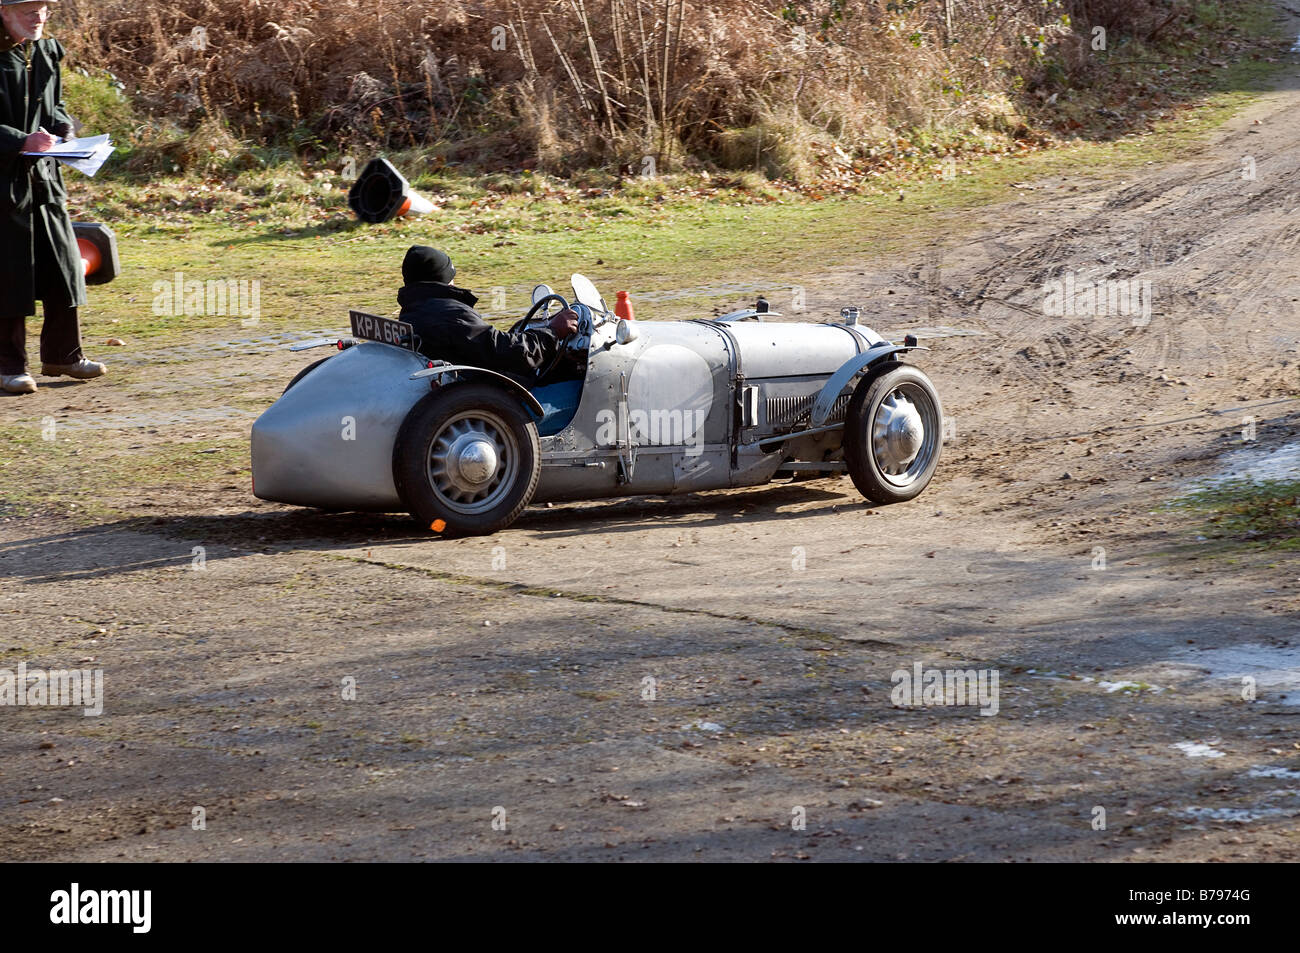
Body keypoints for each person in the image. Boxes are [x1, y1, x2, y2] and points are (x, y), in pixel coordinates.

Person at [0, 0, 105, 395]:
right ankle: (8, 366)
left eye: (43, 8)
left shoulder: (46, 48)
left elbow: (53, 104)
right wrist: (18, 140)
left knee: (63, 265)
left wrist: (66, 132)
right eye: (28, 10)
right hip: (2, 184)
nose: (39, 17)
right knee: (9, 275)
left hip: (44, 178)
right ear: (2, 11)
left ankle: (65, 355)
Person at [397, 246, 579, 385]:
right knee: (570, 386)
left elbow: (484, 343)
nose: (454, 282)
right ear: (440, 278)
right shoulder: (451, 313)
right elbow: (507, 352)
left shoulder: (413, 309)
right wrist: (553, 332)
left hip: (459, 383)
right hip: (485, 395)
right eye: (450, 276)